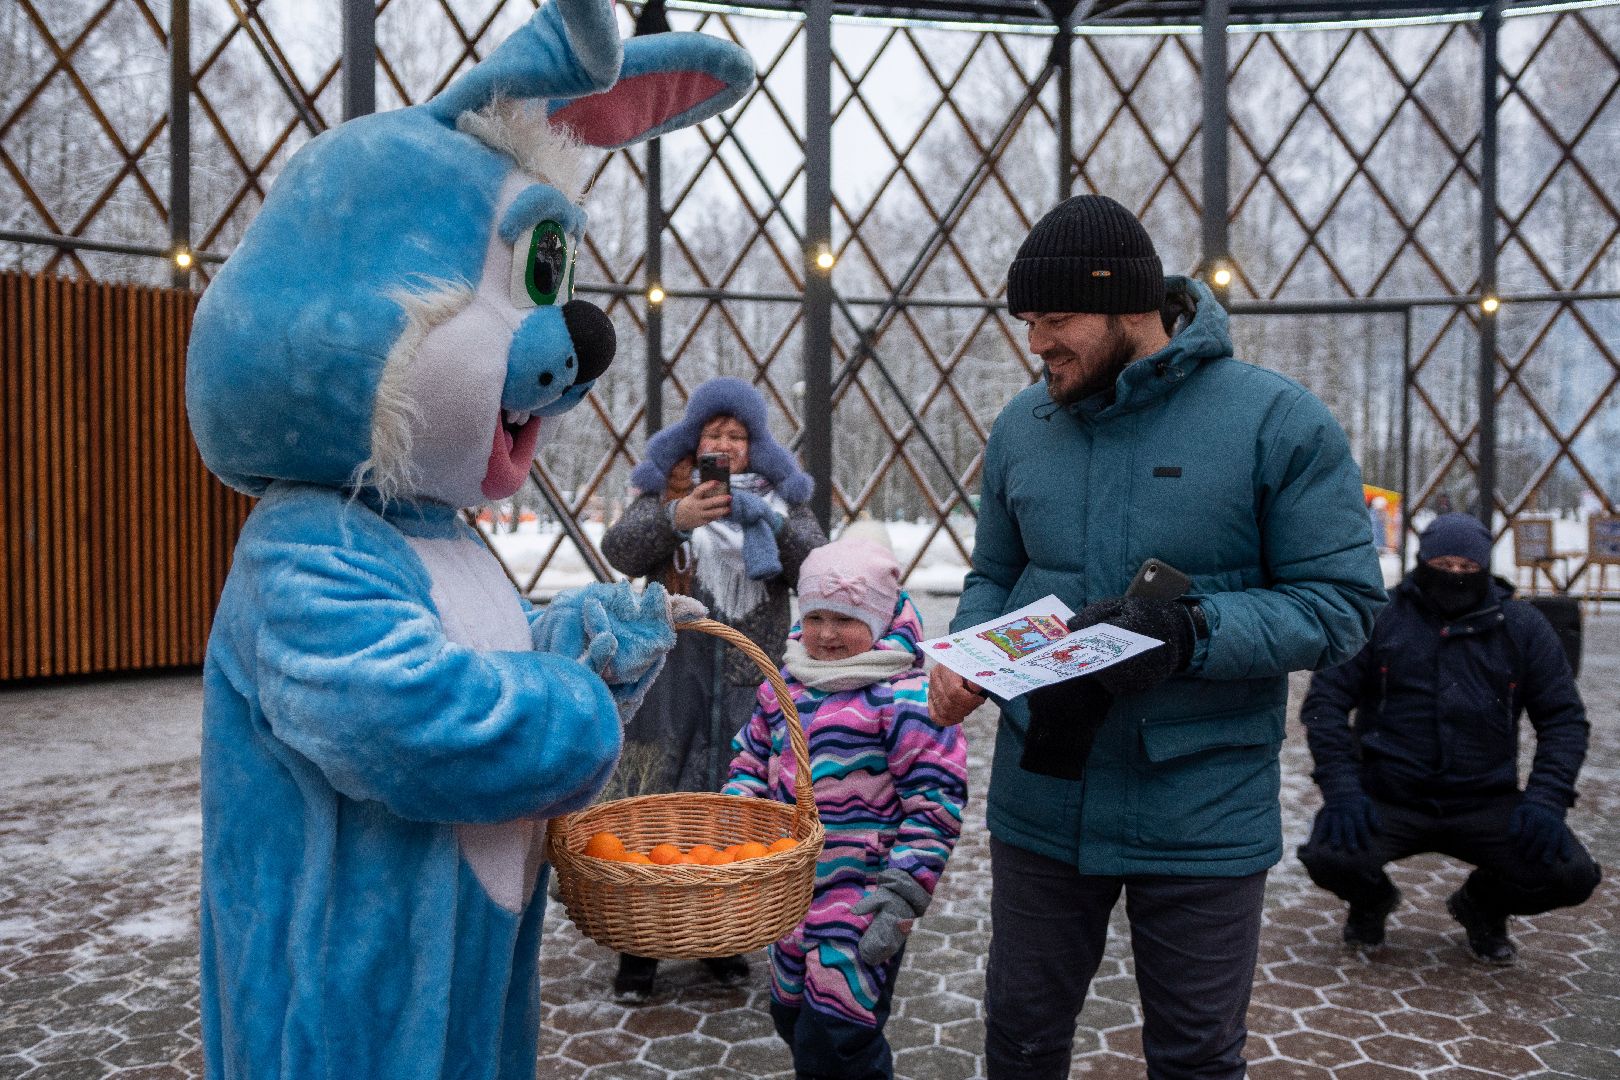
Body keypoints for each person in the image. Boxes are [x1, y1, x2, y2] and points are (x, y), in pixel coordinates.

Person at [928, 193, 1387, 1080]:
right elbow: (993, 572)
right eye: (1028, 323)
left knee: (1196, 1057)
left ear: (1127, 306)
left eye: (1056, 320)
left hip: (1201, 807)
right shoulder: (1024, 425)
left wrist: (1191, 632)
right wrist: (970, 652)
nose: (1037, 344)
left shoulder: (1277, 423)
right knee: (1020, 1038)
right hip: (1044, 797)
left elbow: (1341, 603)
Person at [600, 376, 828, 1000]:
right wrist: (675, 521)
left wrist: (768, 521)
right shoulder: (666, 489)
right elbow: (620, 550)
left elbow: (815, 563)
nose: (725, 444)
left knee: (736, 808)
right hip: (672, 681)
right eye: (713, 432)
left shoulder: (782, 498)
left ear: (756, 445)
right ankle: (640, 949)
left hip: (749, 682)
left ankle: (720, 940)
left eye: (737, 434)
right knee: (657, 808)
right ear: (693, 440)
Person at [1297, 512, 1601, 965]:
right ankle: (1372, 901)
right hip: (1390, 794)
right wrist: (1342, 790)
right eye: (1443, 565)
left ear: (1485, 568)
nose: (1455, 575)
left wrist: (1547, 799)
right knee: (1328, 856)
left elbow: (1563, 720)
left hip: (1484, 798)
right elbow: (1325, 704)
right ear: (1422, 562)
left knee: (1571, 875)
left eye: (1467, 567)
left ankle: (1482, 905)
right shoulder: (1380, 618)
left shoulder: (1522, 626)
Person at [725, 530, 968, 1080]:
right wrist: (736, 820)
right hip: (786, 893)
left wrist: (902, 893)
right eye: (814, 617)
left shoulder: (905, 700)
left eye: (845, 619)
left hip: (863, 898)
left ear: (879, 620)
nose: (827, 634)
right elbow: (750, 760)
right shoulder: (783, 688)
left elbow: (935, 802)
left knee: (838, 1036)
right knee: (789, 1014)